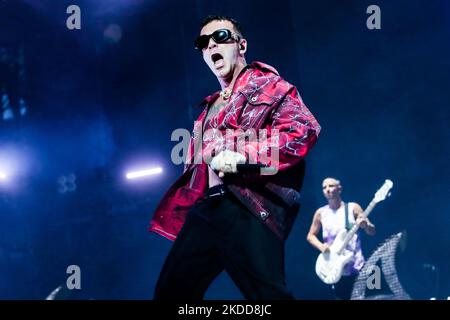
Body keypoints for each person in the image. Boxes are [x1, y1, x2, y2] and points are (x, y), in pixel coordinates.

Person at [150, 15, 321, 300]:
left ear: (241, 45)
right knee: (170, 294)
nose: (211, 45)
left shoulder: (268, 85)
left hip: (248, 206)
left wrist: (242, 155)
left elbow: (302, 130)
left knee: (268, 297)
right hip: (207, 210)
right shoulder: (207, 109)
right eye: (203, 43)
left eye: (220, 37)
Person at [306, 177, 376, 300]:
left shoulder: (352, 208)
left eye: (331, 186)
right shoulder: (321, 213)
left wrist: (366, 225)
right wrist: (321, 246)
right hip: (335, 269)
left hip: (357, 267)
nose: (327, 189)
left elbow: (372, 231)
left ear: (339, 189)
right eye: (324, 187)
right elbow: (310, 236)